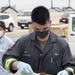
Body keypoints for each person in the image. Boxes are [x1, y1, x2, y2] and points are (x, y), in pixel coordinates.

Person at [2, 6, 75, 75]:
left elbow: (71, 66)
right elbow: (6, 59)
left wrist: (67, 72)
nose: (41, 32)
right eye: (37, 29)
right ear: (32, 24)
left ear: (50, 23)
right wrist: (17, 64)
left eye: (45, 29)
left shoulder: (62, 44)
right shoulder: (23, 42)